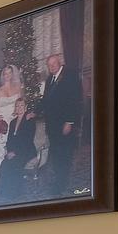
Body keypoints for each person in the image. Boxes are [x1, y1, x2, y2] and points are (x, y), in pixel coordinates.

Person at [40, 51, 85, 183]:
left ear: (59, 63)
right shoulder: (49, 79)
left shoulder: (70, 76)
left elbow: (74, 100)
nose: (52, 66)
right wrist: (35, 111)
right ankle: (58, 179)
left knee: (64, 153)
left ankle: (61, 182)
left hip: (64, 124)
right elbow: (46, 100)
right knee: (56, 153)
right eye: (49, 65)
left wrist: (69, 122)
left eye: (54, 64)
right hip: (52, 125)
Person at [0, 64, 24, 193]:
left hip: (14, 123)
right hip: (2, 125)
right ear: (3, 75)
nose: (7, 75)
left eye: (10, 73)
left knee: (11, 151)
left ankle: (10, 180)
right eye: (5, 73)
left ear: (13, 74)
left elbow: (21, 104)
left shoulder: (18, 88)